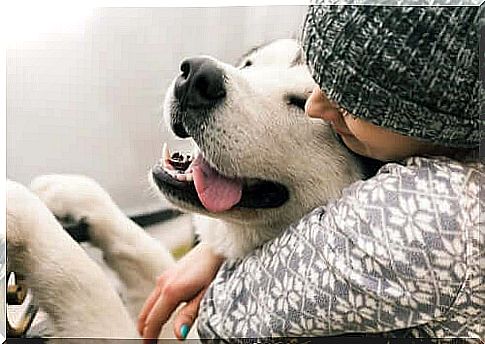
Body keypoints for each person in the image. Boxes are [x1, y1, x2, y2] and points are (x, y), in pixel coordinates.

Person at [138, 5, 484, 341]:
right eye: (250, 65)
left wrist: (222, 263)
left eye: (351, 100)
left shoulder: (434, 216)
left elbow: (222, 319)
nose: (318, 105)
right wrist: (217, 247)